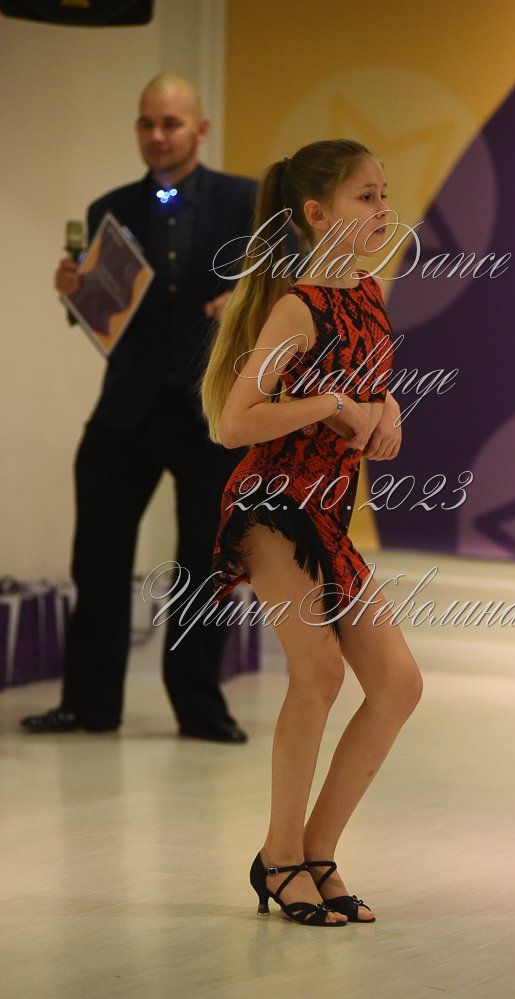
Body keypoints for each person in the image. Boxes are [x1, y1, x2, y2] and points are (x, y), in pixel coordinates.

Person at [201, 139, 423, 924]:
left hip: (325, 512)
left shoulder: (367, 291)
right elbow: (234, 422)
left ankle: (314, 852)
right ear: (318, 213)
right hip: (270, 505)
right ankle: (280, 855)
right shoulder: (296, 307)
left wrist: (388, 410)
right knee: (320, 673)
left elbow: (372, 387)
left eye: (384, 193)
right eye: (367, 196)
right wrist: (330, 405)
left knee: (398, 683)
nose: (384, 208)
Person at [21, 74, 257, 743]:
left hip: (210, 411)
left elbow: (292, 281)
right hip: (127, 406)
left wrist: (246, 301)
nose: (158, 135)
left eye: (171, 123)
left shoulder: (246, 202)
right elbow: (105, 317)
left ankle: (201, 708)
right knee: (97, 558)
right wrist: (76, 294)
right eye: (147, 122)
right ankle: (89, 705)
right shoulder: (109, 209)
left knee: (205, 564)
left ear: (200, 129)